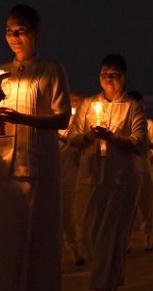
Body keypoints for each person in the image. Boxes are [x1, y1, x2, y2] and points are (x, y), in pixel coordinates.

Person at [0, 4, 71, 291]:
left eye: (20, 30)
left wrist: (23, 119)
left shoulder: (50, 70)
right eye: (9, 31)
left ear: (35, 32)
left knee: (39, 241)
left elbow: (62, 119)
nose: (14, 37)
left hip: (38, 165)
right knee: (2, 241)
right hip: (2, 167)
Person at [68, 54, 146, 291]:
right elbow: (73, 138)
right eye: (104, 74)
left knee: (113, 234)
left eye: (114, 74)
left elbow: (139, 142)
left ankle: (106, 285)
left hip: (121, 178)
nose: (108, 79)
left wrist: (113, 137)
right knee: (88, 229)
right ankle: (103, 277)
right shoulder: (88, 105)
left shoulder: (132, 107)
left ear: (123, 78)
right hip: (91, 175)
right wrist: (91, 136)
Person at [60, 91, 86, 266]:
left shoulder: (82, 126)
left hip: (75, 174)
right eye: (72, 102)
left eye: (78, 103)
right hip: (56, 173)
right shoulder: (57, 123)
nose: (75, 106)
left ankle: (77, 248)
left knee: (73, 213)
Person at [128, 91, 153, 252]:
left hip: (144, 163)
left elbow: (150, 144)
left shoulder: (148, 123)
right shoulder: (124, 120)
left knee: (147, 200)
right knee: (129, 203)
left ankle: (148, 236)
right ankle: (128, 239)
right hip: (128, 164)